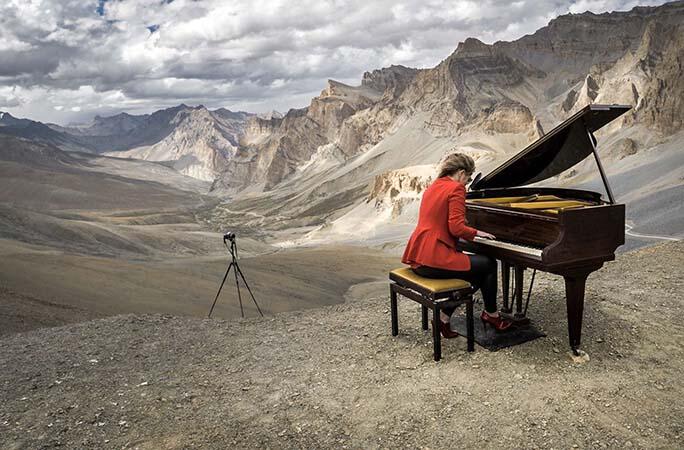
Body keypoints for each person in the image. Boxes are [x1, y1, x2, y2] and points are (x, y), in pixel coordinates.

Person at [401, 152, 512, 338]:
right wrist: (477, 233)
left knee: (477, 271)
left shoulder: (433, 186)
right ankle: (491, 315)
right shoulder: (456, 189)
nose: (466, 183)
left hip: (419, 257)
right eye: (468, 178)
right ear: (461, 172)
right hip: (434, 259)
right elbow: (456, 228)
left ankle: (443, 319)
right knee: (489, 264)